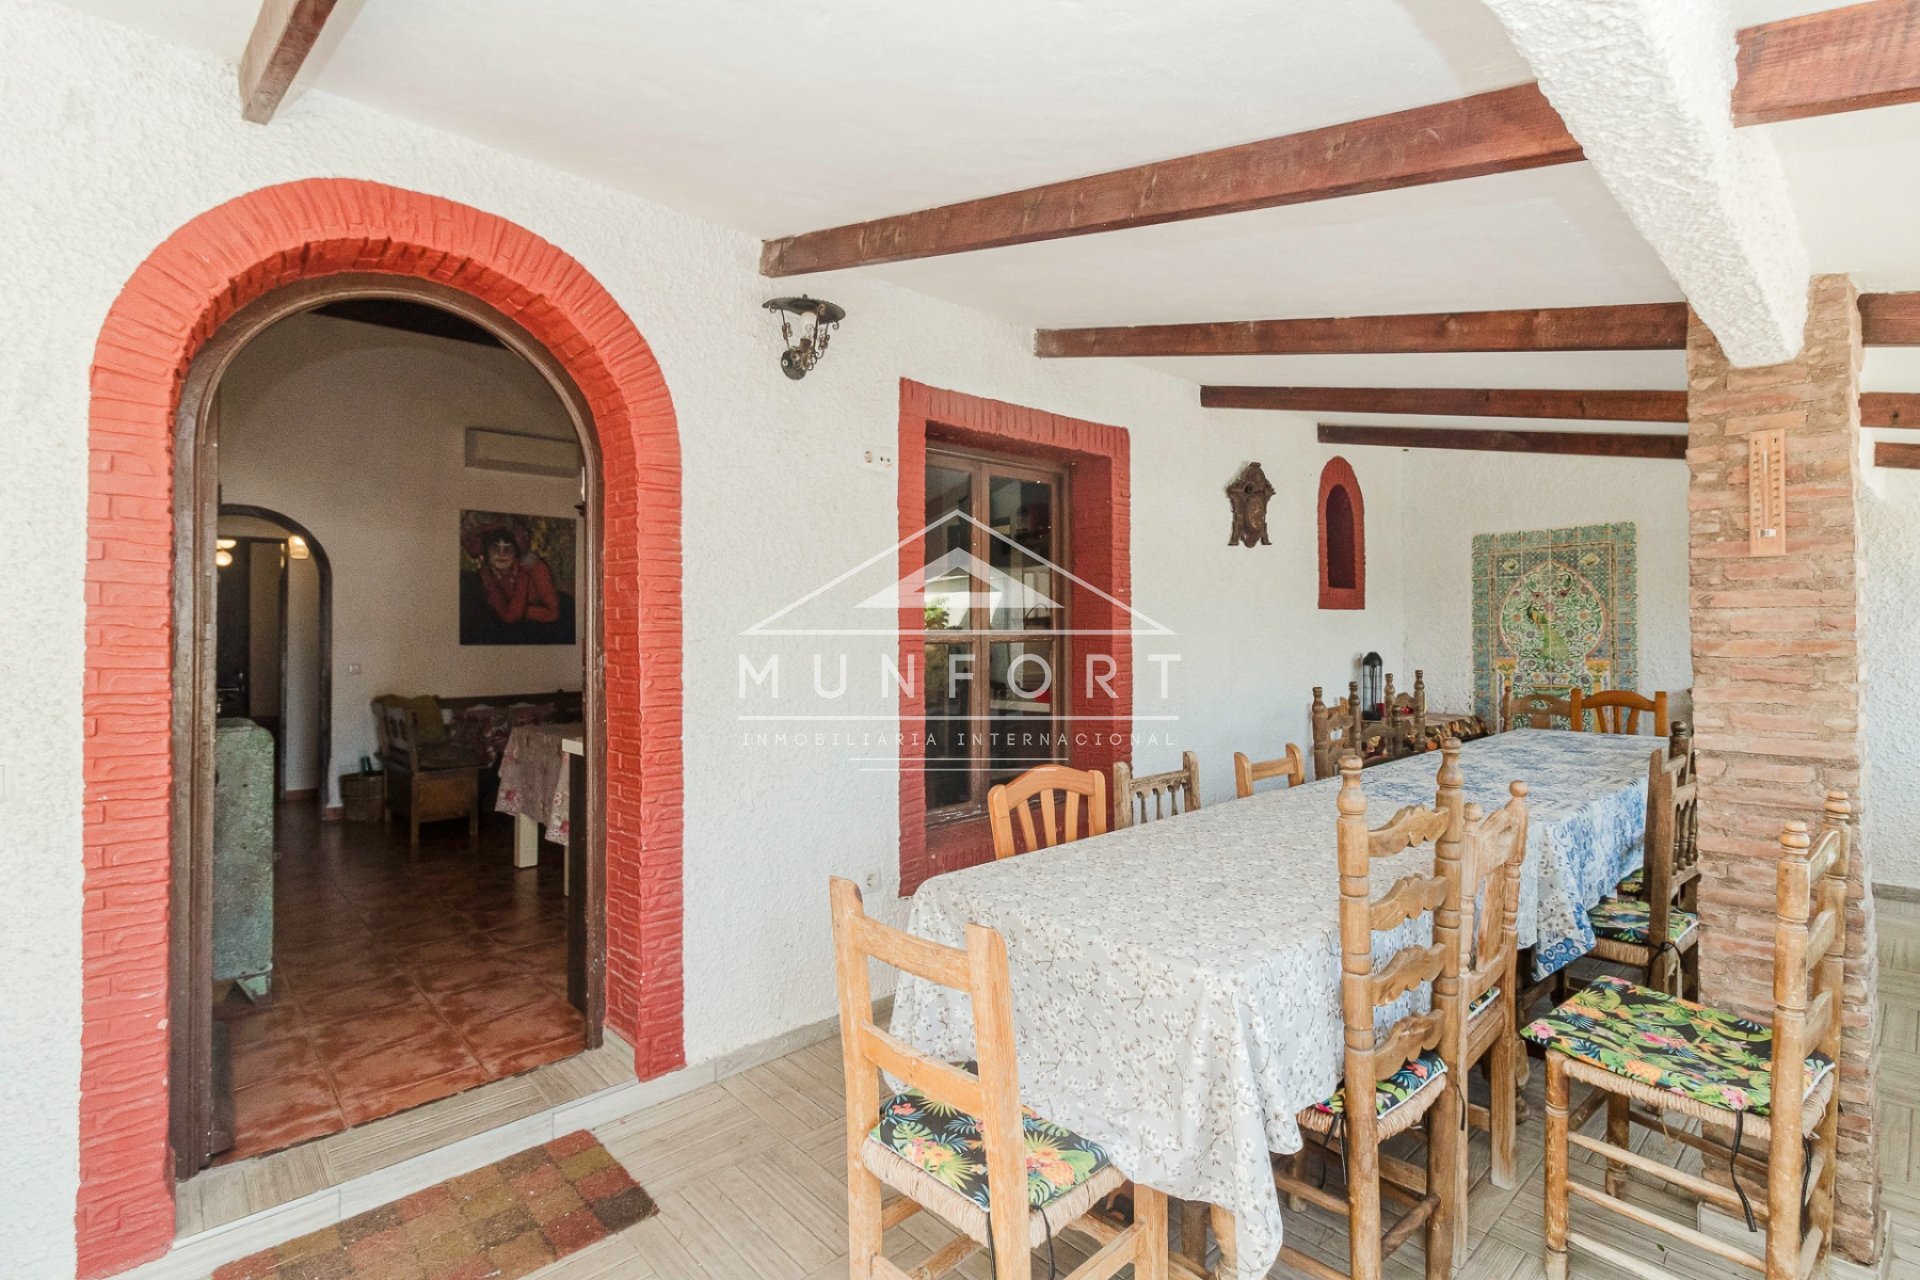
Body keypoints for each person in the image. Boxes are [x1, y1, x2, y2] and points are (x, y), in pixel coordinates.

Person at [460, 519, 575, 644]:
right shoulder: (486, 573)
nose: (501, 554)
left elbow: (553, 613)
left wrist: (521, 609)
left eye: (508, 549)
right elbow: (506, 614)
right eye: (495, 548)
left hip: (556, 624)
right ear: (487, 552)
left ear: (516, 553)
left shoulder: (534, 567)